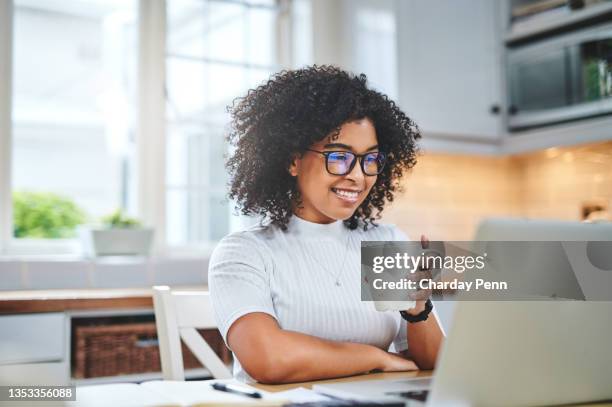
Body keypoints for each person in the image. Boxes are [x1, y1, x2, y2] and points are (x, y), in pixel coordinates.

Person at [209, 65, 444, 384]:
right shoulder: (245, 252)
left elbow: (431, 364)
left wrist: (417, 309)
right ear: (293, 160)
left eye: (370, 159)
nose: (358, 176)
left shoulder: (386, 242)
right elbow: (269, 359)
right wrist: (376, 357)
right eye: (338, 157)